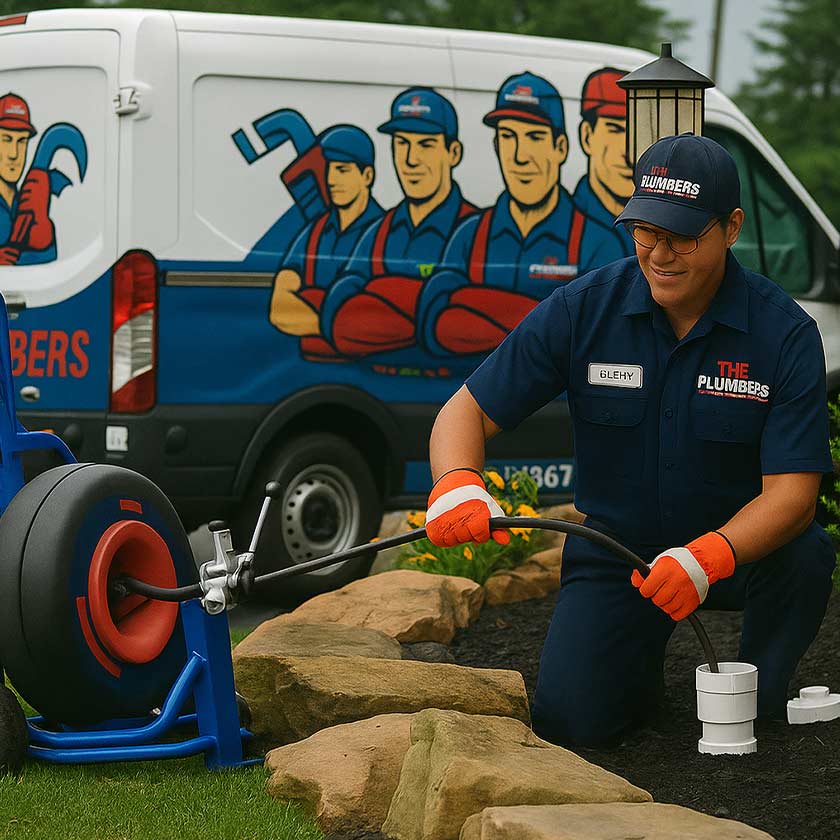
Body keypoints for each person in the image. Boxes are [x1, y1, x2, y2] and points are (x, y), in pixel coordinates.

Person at [423, 133, 836, 747]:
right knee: (570, 724)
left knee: (806, 555)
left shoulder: (784, 335)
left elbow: (793, 495)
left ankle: (764, 695)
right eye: (646, 231)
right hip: (620, 556)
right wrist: (457, 484)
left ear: (731, 228)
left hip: (737, 556)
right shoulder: (583, 308)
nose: (660, 254)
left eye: (683, 237)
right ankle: (633, 676)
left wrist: (708, 556)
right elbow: (465, 410)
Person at [416, 72, 626, 358]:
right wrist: (547, 318)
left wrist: (476, 310)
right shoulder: (468, 234)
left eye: (535, 137)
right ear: (496, 147)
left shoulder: (598, 242)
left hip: (561, 402)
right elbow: (433, 320)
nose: (519, 156)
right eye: (508, 136)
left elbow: (605, 335)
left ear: (560, 147)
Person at [319, 87, 476, 357]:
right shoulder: (379, 231)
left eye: (425, 145)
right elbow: (340, 309)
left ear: (454, 153)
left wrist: (379, 294)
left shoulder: (477, 230)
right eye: (402, 144)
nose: (410, 160)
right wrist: (425, 304)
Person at [268, 124, 383, 361]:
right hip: (308, 368)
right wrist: (339, 327)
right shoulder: (315, 231)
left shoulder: (386, 231)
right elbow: (280, 306)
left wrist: (311, 305)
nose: (331, 179)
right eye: (329, 169)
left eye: (342, 170)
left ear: (367, 176)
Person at [572, 67, 635, 254]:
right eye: (615, 129)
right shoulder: (564, 223)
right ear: (586, 136)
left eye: (638, 132)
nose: (629, 153)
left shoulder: (656, 224)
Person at [0, 93, 56, 266]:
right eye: (6, 140)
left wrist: (45, 232)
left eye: (22, 141)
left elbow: (51, 262)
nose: (14, 154)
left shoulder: (27, 202)